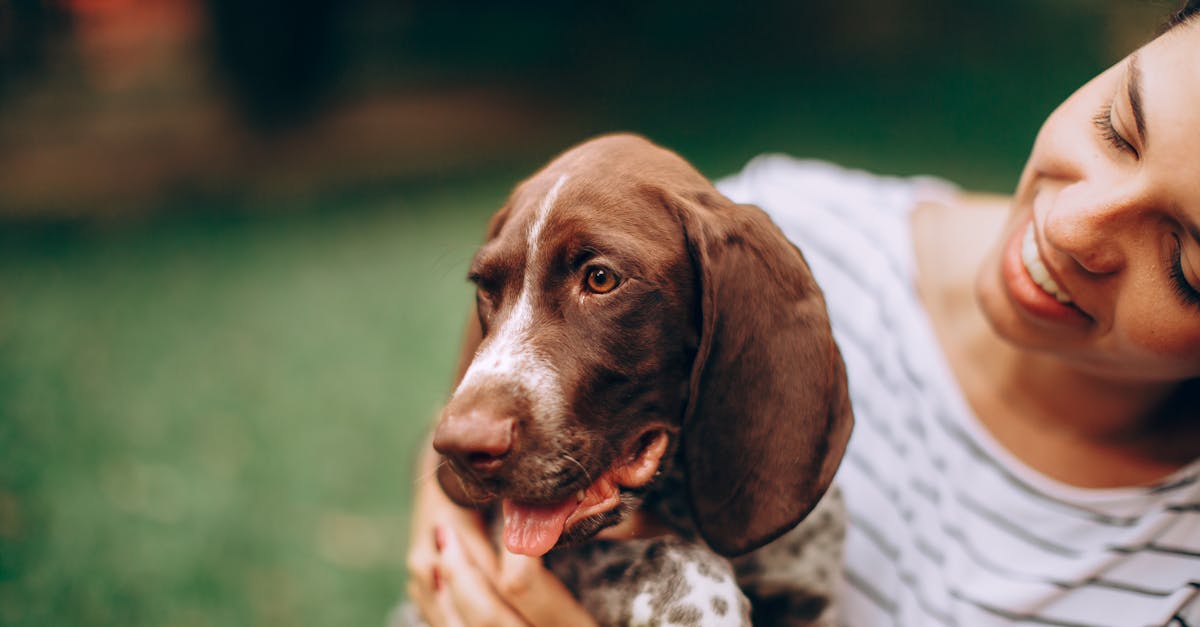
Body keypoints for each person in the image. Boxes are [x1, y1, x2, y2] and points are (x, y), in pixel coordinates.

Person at [405, 4, 1200, 625]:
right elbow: (511, 352)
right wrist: (447, 523)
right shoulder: (786, 225)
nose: (1072, 228)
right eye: (1118, 128)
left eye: (1184, 261)